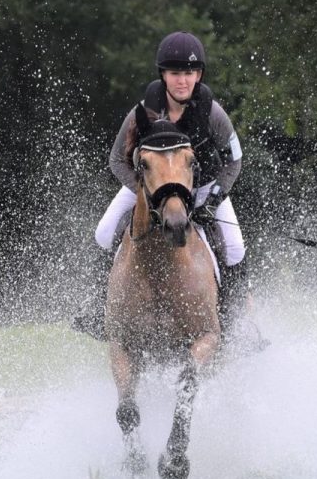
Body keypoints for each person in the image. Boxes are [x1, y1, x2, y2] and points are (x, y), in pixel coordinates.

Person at [74, 31, 248, 338]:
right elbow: (117, 160)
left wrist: (212, 201)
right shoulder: (142, 112)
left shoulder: (213, 113)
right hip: (150, 186)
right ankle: (100, 308)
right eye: (175, 73)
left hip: (204, 185)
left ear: (199, 75)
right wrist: (145, 192)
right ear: (163, 76)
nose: (183, 81)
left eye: (190, 73)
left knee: (234, 248)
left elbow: (234, 160)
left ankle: (232, 321)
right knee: (104, 232)